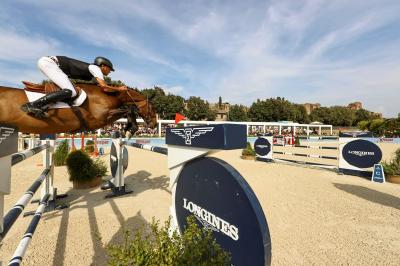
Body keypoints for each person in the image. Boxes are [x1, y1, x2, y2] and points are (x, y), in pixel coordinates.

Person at [21, 56, 127, 117]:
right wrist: (119, 89)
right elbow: (104, 87)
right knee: (71, 91)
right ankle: (34, 105)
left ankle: (46, 105)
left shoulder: (91, 70)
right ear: (103, 66)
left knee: (71, 90)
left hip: (48, 63)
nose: (109, 72)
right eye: (109, 69)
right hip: (50, 63)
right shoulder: (96, 68)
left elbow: (99, 85)